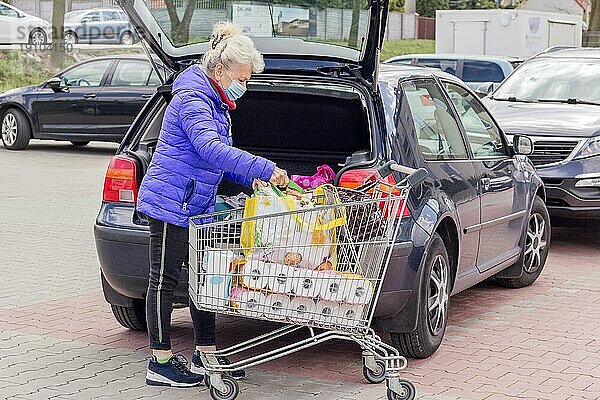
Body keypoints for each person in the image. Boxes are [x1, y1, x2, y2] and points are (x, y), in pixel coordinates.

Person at [137, 21, 289, 387]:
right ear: (220, 69)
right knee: (164, 279)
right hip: (172, 201)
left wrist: (248, 180)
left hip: (197, 204)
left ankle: (205, 353)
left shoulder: (216, 102)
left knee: (204, 281)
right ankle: (159, 363)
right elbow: (210, 149)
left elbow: (214, 162)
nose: (245, 85)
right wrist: (265, 169)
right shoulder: (192, 98)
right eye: (243, 77)